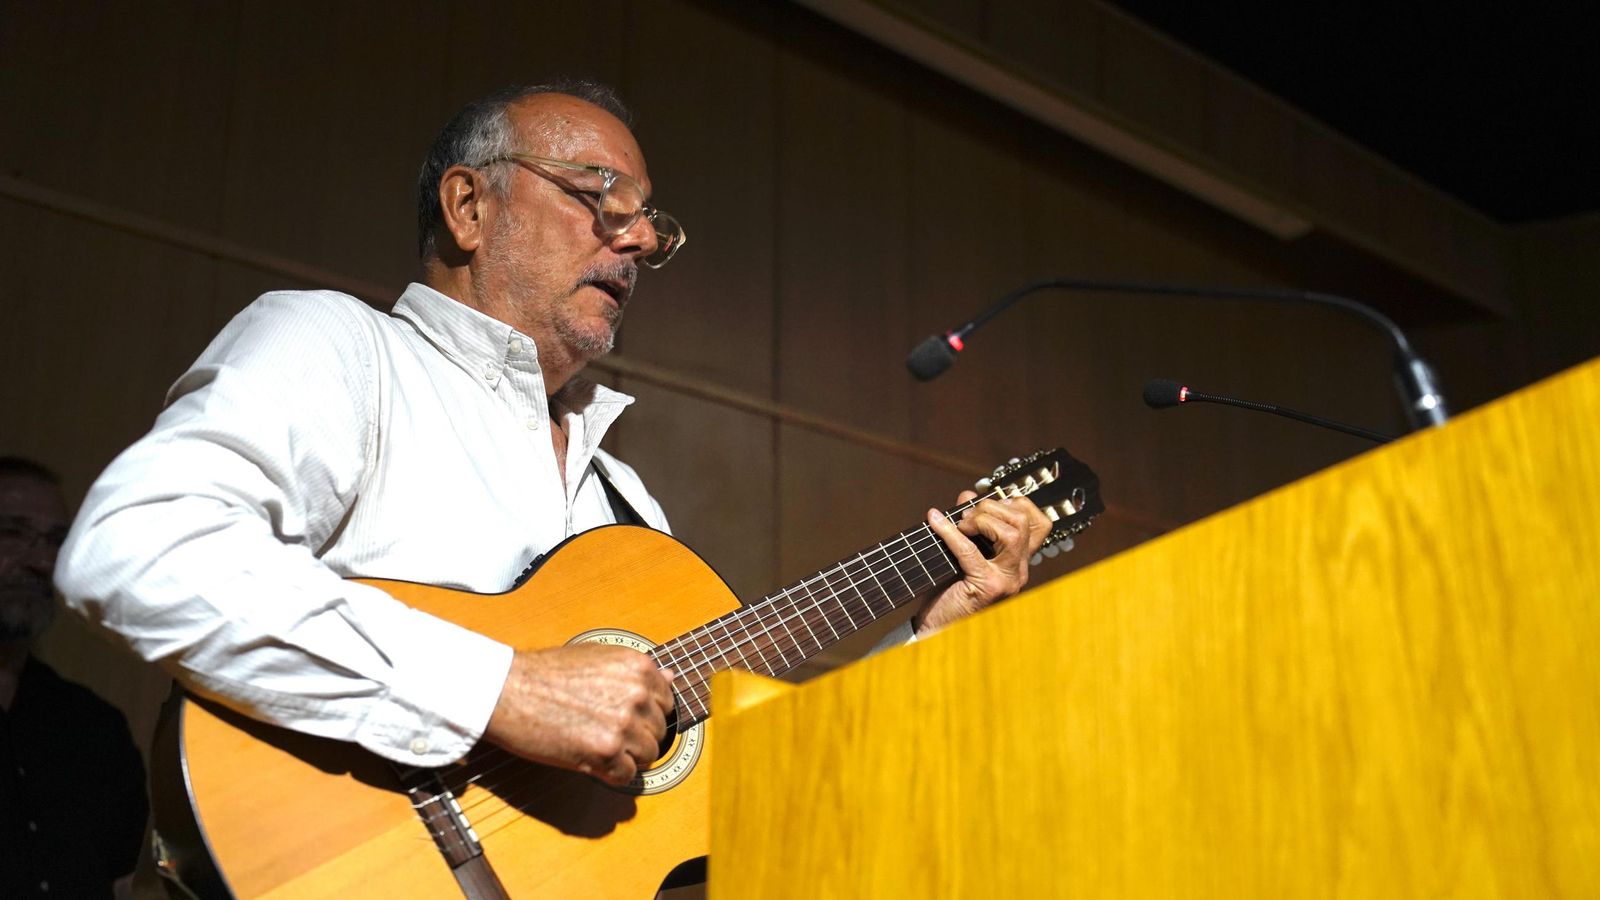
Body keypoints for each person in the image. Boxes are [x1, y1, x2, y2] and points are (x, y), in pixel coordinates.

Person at [57, 80, 1048, 798]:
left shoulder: (625, 499)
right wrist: (501, 689)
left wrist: (924, 642)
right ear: (468, 207)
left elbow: (728, 789)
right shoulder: (341, 349)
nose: (635, 240)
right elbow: (139, 548)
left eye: (646, 222)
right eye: (593, 197)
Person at [1, 457, 148, 898]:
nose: (43, 562)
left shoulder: (93, 729)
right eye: (13, 532)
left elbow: (126, 882)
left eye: (57, 541)